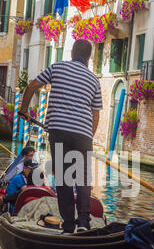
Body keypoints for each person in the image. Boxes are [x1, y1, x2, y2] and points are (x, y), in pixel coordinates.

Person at [20, 39, 103, 234]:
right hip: (83, 134)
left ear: (72, 53)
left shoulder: (57, 68)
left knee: (64, 179)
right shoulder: (94, 80)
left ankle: (68, 226)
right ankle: (83, 223)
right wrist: (88, 137)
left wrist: (24, 110)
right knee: (82, 179)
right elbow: (96, 114)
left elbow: (32, 86)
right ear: (89, 57)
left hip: (58, 130)